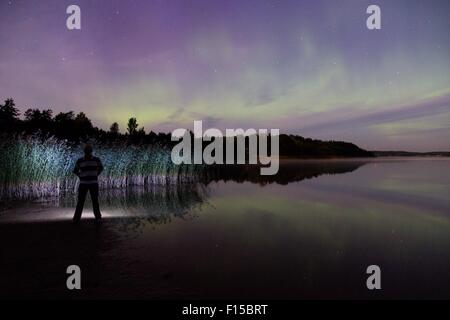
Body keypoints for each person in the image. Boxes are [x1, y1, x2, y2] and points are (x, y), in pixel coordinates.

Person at [72, 144, 104, 222]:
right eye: (87, 150)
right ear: (85, 151)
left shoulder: (96, 159)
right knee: (81, 201)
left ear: (91, 151)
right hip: (84, 183)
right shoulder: (80, 160)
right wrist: (80, 176)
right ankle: (77, 218)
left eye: (89, 150)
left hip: (92, 183)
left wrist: (96, 174)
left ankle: (98, 217)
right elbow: (75, 170)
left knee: (94, 201)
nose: (88, 152)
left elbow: (101, 168)